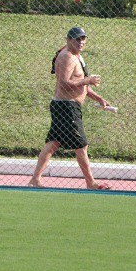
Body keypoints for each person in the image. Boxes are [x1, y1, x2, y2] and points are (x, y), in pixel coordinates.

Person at [28, 27, 111, 190]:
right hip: (66, 107)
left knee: (53, 143)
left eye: (83, 39)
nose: (80, 42)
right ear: (68, 40)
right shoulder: (67, 57)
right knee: (81, 145)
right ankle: (91, 183)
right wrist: (87, 80)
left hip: (66, 106)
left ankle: (35, 180)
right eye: (76, 39)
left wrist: (99, 98)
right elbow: (65, 83)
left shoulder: (77, 57)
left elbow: (81, 85)